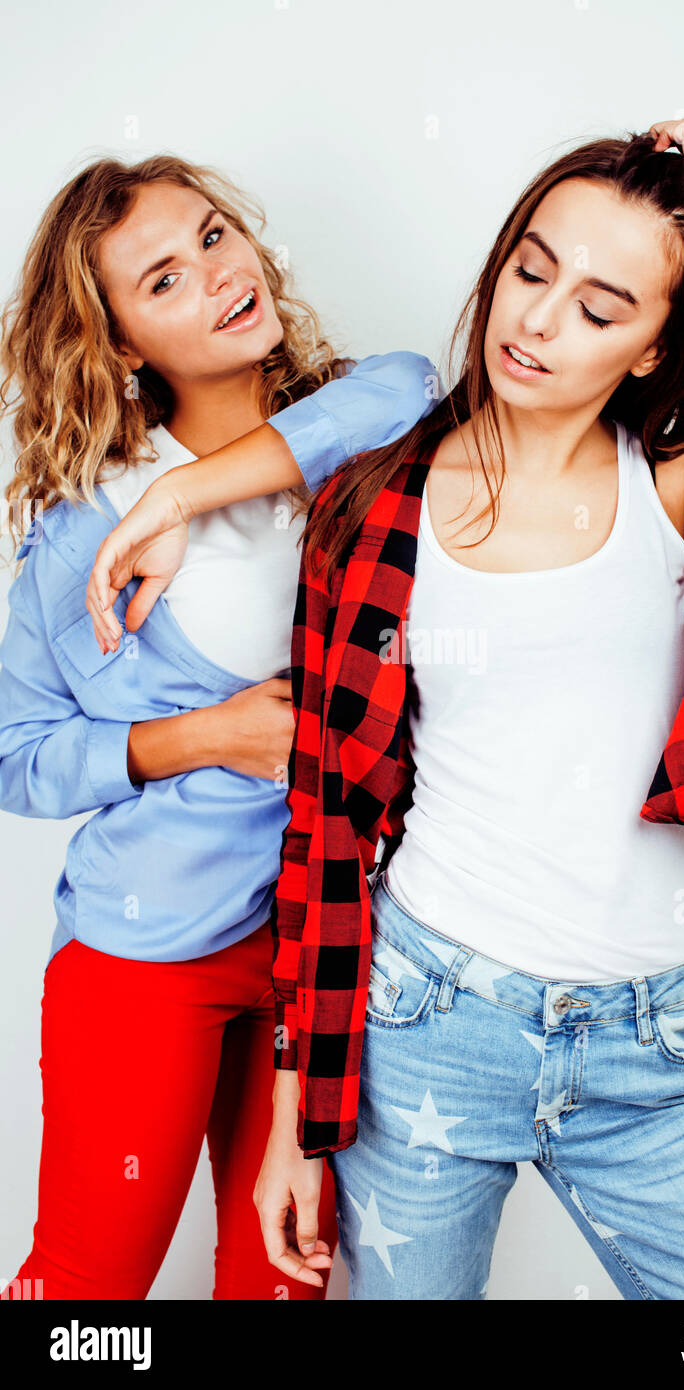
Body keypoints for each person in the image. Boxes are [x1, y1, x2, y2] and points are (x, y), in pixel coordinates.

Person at [85, 121, 684, 1300]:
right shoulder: (375, 506)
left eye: (603, 309)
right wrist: (302, 1105)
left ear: (656, 347)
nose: (540, 321)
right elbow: (330, 813)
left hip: (649, 1056)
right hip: (424, 1023)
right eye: (531, 269)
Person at [0, 152, 436, 1300]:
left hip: (332, 951)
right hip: (149, 955)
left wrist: (184, 495)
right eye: (161, 279)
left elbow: (411, 380)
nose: (213, 273)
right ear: (124, 343)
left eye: (210, 236)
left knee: (281, 1282)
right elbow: (16, 755)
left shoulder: (369, 434)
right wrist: (203, 737)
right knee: (90, 1291)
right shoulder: (85, 531)